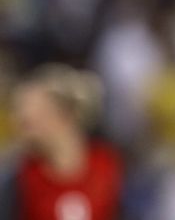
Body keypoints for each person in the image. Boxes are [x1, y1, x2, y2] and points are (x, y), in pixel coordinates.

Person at [1, 64, 123, 220]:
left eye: (30, 123)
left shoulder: (107, 166)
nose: (19, 128)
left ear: (64, 114)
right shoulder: (20, 177)